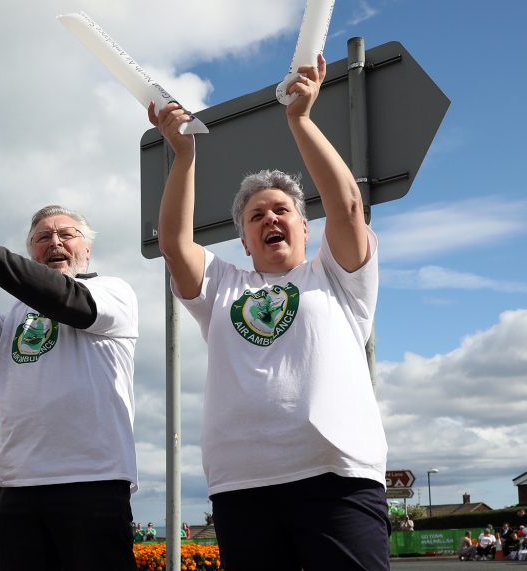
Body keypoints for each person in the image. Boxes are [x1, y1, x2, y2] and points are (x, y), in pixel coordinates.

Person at [154, 53, 389, 571]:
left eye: (282, 210)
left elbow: (348, 206)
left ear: (306, 228)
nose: (270, 218)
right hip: (243, 487)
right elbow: (175, 244)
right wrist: (184, 154)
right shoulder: (223, 287)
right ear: (243, 240)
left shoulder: (336, 275)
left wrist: (301, 119)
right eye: (257, 215)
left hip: (338, 480)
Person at [0, 204, 139, 571]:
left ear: (87, 249)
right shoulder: (16, 315)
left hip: (92, 483)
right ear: (31, 254)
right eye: (42, 237)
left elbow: (69, 301)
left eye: (66, 235)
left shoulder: (112, 292)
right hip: (18, 488)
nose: (54, 242)